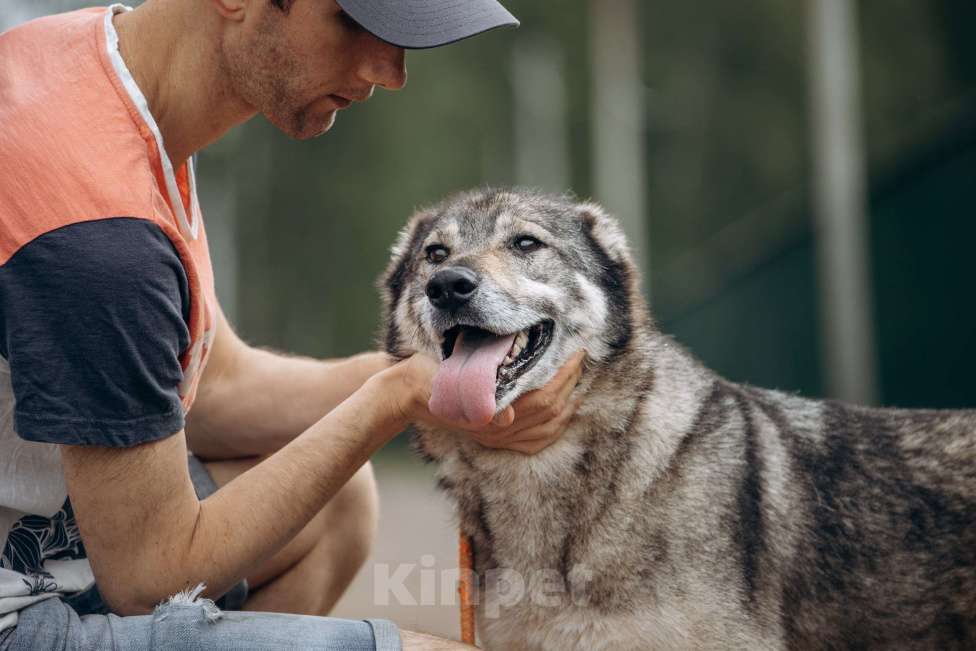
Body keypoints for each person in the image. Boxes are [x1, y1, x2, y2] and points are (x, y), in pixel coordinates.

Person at [0, 1, 586, 649]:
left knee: (337, 505)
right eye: (353, 23)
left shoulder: (95, 73)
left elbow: (215, 387)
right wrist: (394, 399)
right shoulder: (100, 235)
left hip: (39, 546)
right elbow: (151, 575)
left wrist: (431, 379)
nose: (388, 71)